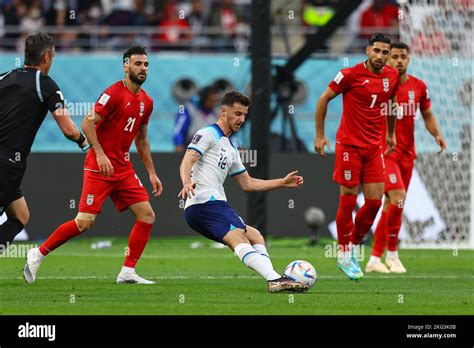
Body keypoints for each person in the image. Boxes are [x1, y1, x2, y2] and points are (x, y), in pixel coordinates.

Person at [24, 46, 163, 284]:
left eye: (146, 64)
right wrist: (99, 154)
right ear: (126, 66)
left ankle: (127, 271)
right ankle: (38, 253)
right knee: (84, 223)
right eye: (138, 64)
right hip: (99, 167)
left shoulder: (146, 102)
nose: (143, 68)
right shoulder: (113, 93)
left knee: (147, 215)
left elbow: (141, 140)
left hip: (123, 168)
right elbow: (87, 123)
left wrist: (152, 173)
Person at [179, 91, 308, 293]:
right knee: (238, 236)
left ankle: (273, 277)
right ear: (223, 111)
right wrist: (186, 181)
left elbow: (247, 184)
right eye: (237, 113)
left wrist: (282, 183)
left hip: (213, 205)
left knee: (255, 235)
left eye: (244, 115)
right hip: (204, 203)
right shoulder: (207, 134)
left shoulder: (232, 146)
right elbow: (188, 158)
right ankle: (274, 279)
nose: (241, 119)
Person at [314, 33, 399, 280]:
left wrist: (390, 134)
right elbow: (324, 99)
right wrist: (320, 136)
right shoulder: (349, 75)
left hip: (374, 149)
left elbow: (391, 105)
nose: (381, 56)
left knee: (373, 202)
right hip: (349, 146)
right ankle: (343, 253)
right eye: (377, 51)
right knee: (349, 199)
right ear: (367, 50)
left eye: (385, 52)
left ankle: (352, 244)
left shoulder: (391, 76)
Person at [0, 33, 87, 252]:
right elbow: (68, 129)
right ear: (47, 57)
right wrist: (85, 142)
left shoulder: (4, 77)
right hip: (8, 163)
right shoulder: (45, 84)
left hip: (10, 162)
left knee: (20, 215)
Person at [366, 42, 447, 273]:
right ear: (387, 60)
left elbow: (427, 114)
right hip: (385, 153)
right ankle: (392, 254)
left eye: (403, 56)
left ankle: (374, 259)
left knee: (391, 205)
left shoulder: (419, 87)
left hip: (407, 155)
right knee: (398, 197)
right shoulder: (379, 86)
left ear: (408, 60)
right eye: (395, 57)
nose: (399, 61)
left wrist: (437, 135)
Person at [173, 85, 220, 152]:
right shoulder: (187, 108)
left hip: (211, 147)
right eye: (211, 101)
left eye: (215, 101)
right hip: (192, 145)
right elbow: (178, 130)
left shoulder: (217, 112)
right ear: (203, 99)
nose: (213, 104)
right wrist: (178, 144)